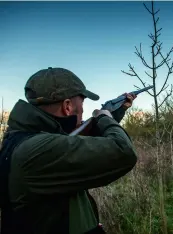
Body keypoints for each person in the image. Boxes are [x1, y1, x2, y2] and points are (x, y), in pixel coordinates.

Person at [0, 67, 138, 234]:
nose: (83, 112)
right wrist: (103, 117)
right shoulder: (38, 149)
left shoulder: (26, 139)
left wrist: (116, 112)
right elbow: (123, 152)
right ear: (67, 106)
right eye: (82, 104)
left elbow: (84, 141)